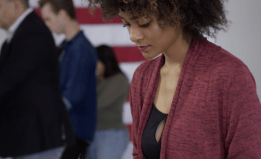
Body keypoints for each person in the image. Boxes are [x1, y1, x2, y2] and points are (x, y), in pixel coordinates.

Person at [86, 0, 261, 158]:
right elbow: (139, 153)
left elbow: (249, 153)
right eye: (127, 25)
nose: (133, 35)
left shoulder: (230, 76)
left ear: (175, 11)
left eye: (144, 23)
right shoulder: (142, 77)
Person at [0, 0, 76, 158]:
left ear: (15, 5)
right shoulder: (19, 34)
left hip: (38, 139)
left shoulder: (32, 32)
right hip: (25, 139)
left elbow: (8, 80)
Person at [39, 0, 98, 158]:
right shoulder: (64, 48)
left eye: (48, 19)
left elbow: (72, 97)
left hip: (73, 135)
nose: (47, 24)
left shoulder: (81, 50)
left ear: (63, 14)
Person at [87, 45, 129, 159]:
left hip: (111, 133)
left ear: (106, 62)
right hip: (91, 134)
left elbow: (98, 104)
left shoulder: (119, 79)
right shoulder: (94, 81)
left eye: (96, 61)